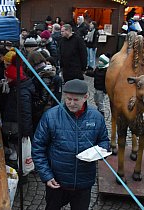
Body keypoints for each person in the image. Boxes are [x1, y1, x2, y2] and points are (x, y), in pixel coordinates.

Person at [32, 79, 109, 210]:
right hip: (57, 181)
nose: (71, 103)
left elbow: (104, 140)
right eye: (68, 99)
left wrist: (101, 151)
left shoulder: (97, 117)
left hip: (83, 183)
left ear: (85, 97)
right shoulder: (50, 116)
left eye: (76, 100)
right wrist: (46, 175)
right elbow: (38, 148)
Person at [2, 54, 35, 161]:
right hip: (13, 119)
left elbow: (26, 113)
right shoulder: (16, 86)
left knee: (17, 141)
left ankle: (19, 161)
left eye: (8, 78)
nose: (6, 79)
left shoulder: (22, 92)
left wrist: (26, 131)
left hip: (17, 122)